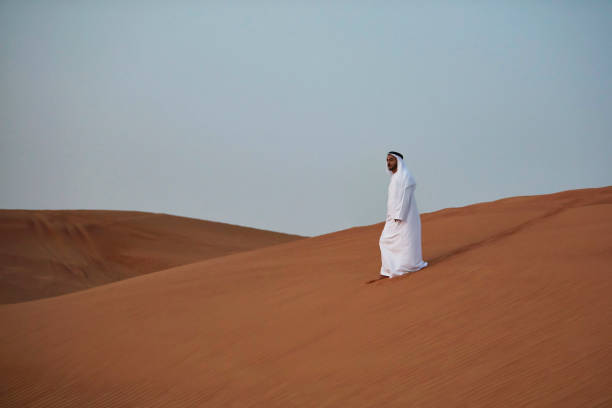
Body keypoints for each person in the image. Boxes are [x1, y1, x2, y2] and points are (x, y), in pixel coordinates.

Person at [379, 151, 428, 278]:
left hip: (403, 217)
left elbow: (405, 198)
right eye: (387, 160)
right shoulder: (394, 178)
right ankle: (389, 269)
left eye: (391, 160)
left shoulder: (405, 176)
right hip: (392, 218)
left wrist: (399, 216)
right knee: (386, 241)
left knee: (404, 242)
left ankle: (406, 266)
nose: (389, 162)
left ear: (398, 161)